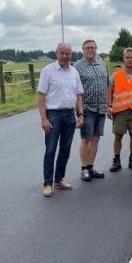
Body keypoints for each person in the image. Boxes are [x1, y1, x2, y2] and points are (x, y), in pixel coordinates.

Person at [38, 43, 85, 197]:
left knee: (65, 149)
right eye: (62, 53)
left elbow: (79, 95)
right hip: (53, 115)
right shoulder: (48, 71)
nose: (65, 56)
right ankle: (47, 183)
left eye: (68, 53)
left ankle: (59, 180)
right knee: (51, 149)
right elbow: (41, 96)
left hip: (69, 115)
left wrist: (80, 114)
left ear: (71, 54)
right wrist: (44, 118)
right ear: (56, 53)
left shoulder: (74, 72)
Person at [73, 39, 110, 182]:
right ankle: (84, 169)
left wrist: (108, 104)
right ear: (83, 50)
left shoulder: (101, 62)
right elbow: (76, 92)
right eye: (87, 48)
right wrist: (80, 112)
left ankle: (90, 167)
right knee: (86, 139)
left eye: (93, 48)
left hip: (101, 108)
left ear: (96, 49)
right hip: (87, 107)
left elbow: (107, 84)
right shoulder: (77, 67)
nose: (90, 50)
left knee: (96, 139)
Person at [106, 47, 132, 172]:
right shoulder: (115, 76)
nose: (129, 60)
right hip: (119, 111)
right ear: (123, 59)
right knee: (118, 136)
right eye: (127, 57)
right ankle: (116, 161)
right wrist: (109, 106)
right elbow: (109, 90)